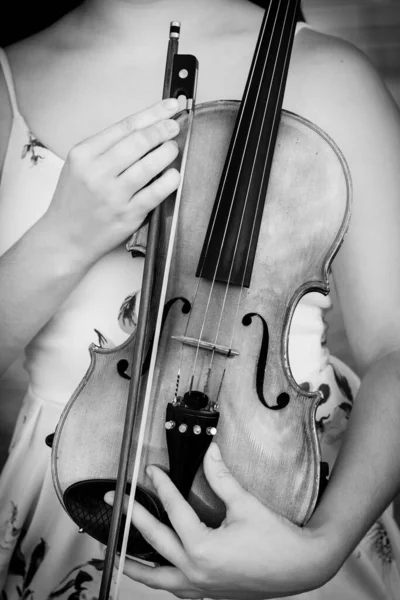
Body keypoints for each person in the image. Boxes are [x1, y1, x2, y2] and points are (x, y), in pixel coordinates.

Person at [0, 0, 400, 599]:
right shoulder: (9, 78)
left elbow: (396, 348)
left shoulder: (332, 76)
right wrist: (66, 235)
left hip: (289, 488)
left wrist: (319, 549)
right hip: (73, 485)